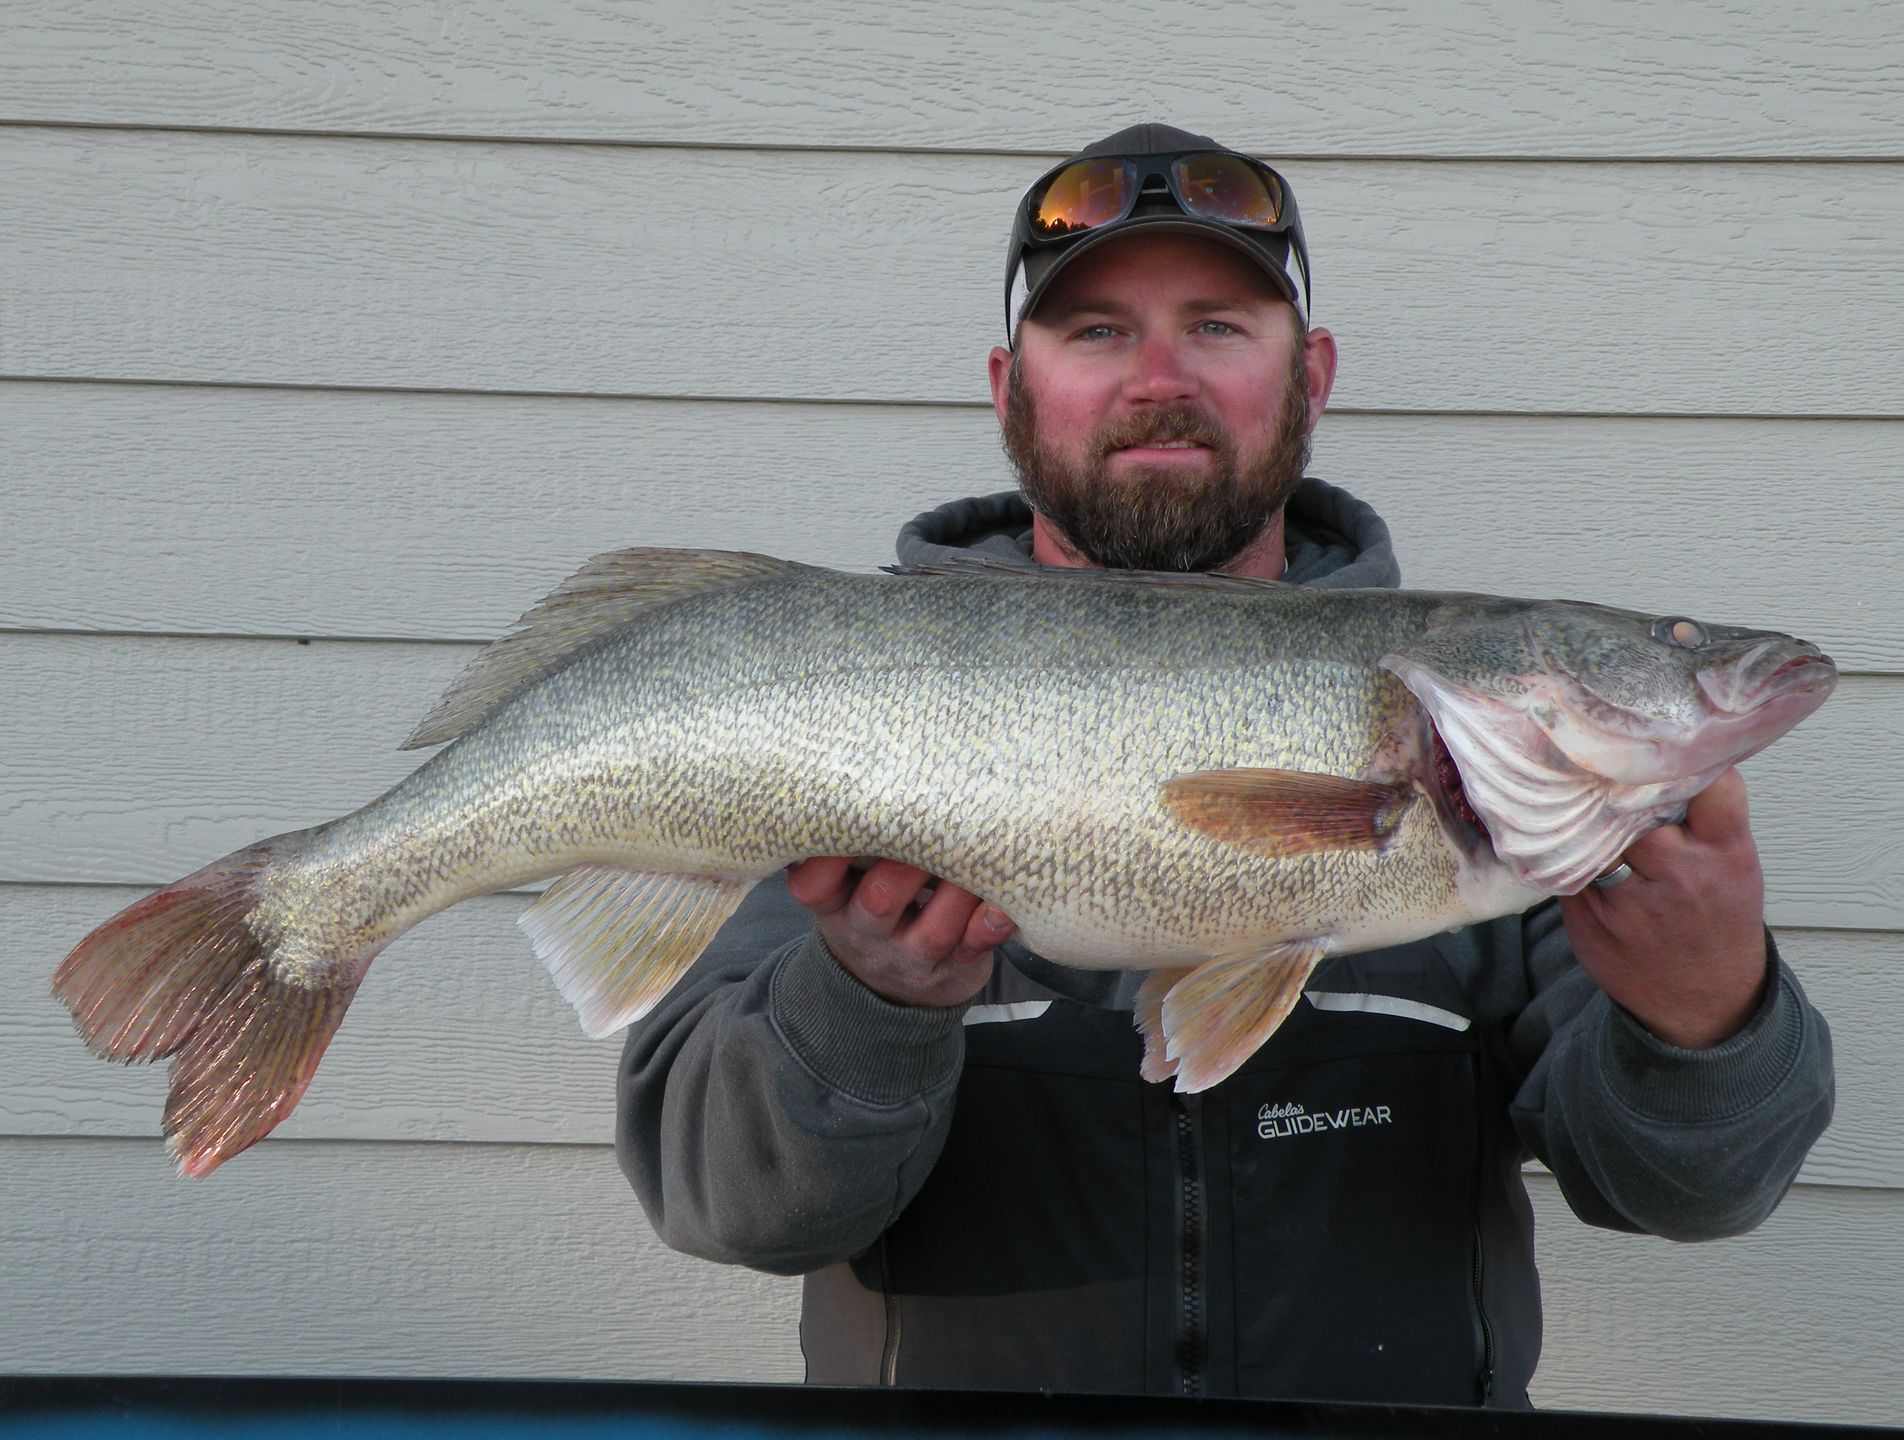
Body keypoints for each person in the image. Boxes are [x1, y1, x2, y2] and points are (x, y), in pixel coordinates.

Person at [616, 124, 1835, 1406]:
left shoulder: (1524, 814)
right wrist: (863, 1001)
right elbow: (725, 1203)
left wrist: (1708, 1019)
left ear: (1309, 376)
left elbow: (1692, 1192)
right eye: (1094, 332)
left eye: (1218, 325)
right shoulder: (831, 700)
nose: (1158, 378)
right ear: (1007, 386)